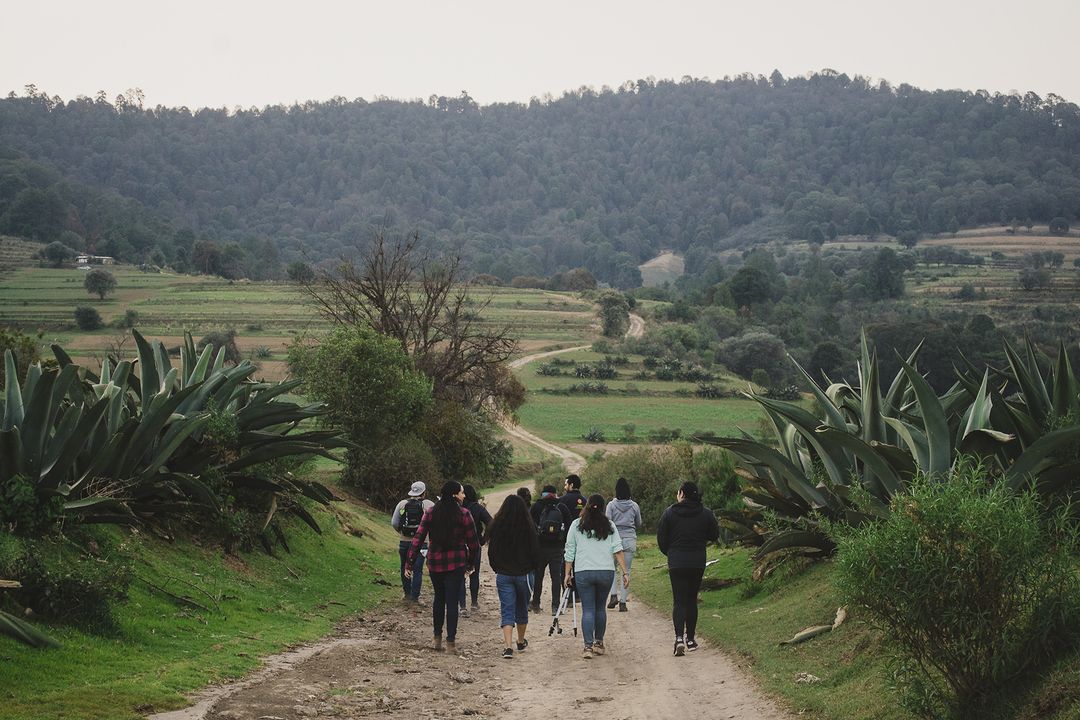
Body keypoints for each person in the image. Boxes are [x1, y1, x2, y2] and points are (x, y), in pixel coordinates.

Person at [406, 481, 480, 653]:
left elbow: (418, 538)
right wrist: (470, 563)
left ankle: (436, 638)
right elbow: (474, 543)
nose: (464, 495)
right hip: (456, 564)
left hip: (435, 563)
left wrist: (410, 562)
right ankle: (451, 642)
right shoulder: (464, 514)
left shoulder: (431, 513)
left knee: (439, 599)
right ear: (454, 495)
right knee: (452, 602)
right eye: (461, 493)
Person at [656, 481, 720, 656]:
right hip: (697, 561)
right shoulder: (706, 513)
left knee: (679, 601)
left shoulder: (669, 513)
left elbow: (661, 538)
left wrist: (670, 553)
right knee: (691, 600)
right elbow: (714, 534)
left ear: (681, 494)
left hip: (676, 562)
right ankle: (691, 639)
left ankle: (678, 638)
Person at [563, 494, 629, 660]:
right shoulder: (609, 525)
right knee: (600, 608)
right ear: (603, 507)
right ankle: (599, 643)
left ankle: (587, 647)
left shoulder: (576, 525)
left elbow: (570, 550)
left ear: (587, 506)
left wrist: (567, 573)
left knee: (588, 609)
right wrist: (625, 572)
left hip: (584, 571)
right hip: (605, 571)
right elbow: (618, 550)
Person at [486, 494, 542, 659]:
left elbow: (492, 552)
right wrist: (533, 568)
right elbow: (535, 552)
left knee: (507, 609)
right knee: (521, 608)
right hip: (524, 575)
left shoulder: (497, 526)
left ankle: (507, 646)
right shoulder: (528, 527)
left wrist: (497, 568)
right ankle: (520, 640)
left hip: (503, 574)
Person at [529, 485, 573, 613]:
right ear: (555, 494)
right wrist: (563, 541)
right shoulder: (561, 507)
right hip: (557, 549)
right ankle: (555, 606)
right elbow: (570, 526)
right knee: (556, 577)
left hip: (540, 548)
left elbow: (530, 526)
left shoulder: (536, 506)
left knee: (538, 576)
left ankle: (535, 603)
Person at [391, 481, 435, 604]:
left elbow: (394, 523)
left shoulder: (402, 504)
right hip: (422, 543)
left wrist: (402, 532)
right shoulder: (429, 505)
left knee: (403, 566)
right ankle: (415, 597)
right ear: (424, 492)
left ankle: (407, 594)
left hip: (404, 541)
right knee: (417, 569)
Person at [605, 477, 643, 612]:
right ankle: (623, 603)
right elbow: (639, 523)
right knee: (626, 571)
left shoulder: (611, 505)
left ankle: (613, 595)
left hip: (614, 540)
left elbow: (608, 523)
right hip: (630, 540)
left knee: (612, 568)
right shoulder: (634, 506)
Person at [459, 484, 493, 617]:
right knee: (474, 573)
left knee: (460, 575)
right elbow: (490, 522)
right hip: (475, 543)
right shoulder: (478, 508)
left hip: (460, 545)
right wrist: (484, 538)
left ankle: (462, 605)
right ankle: (474, 602)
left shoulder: (459, 508)